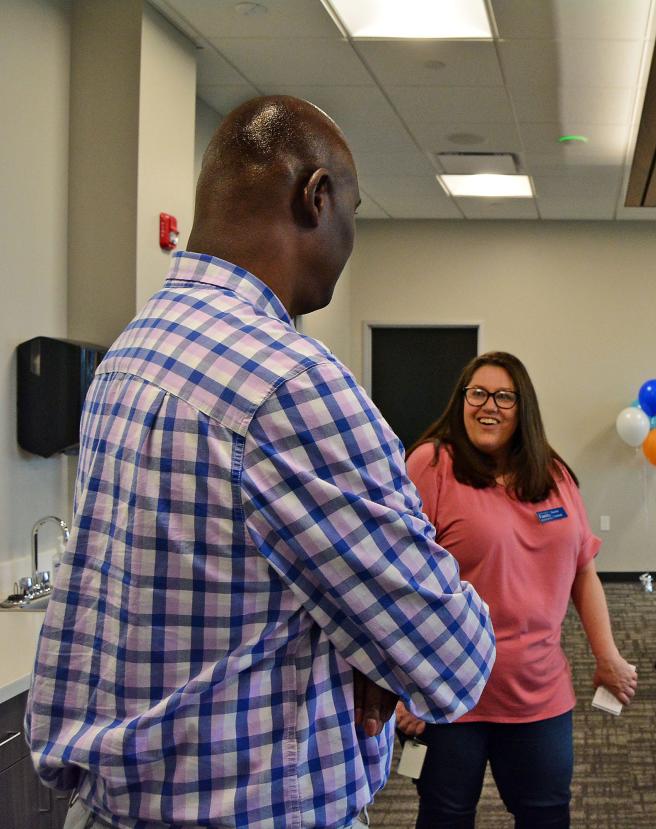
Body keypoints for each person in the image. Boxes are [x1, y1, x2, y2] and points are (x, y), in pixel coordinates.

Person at [25, 97, 495, 829]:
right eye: (355, 213)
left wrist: (365, 638)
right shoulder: (289, 384)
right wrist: (377, 642)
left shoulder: (129, 354)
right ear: (317, 198)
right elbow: (451, 652)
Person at [402, 352, 638, 829]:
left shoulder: (554, 475)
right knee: (445, 816)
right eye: (477, 393)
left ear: (523, 407)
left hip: (539, 691)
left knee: (546, 816)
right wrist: (404, 684)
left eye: (504, 396)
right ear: (461, 401)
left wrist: (607, 655)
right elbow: (402, 582)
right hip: (450, 695)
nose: (489, 405)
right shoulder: (432, 464)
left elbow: (583, 572)